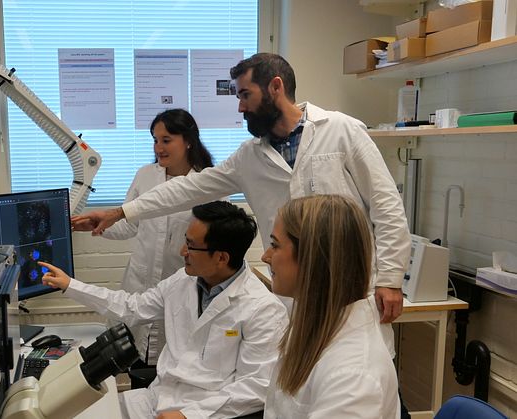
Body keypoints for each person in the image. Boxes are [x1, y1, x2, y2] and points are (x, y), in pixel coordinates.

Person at [72, 52, 411, 354]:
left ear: (275, 87)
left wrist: (391, 279)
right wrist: (122, 211)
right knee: (300, 379)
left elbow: (387, 206)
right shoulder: (250, 157)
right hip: (292, 293)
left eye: (245, 95)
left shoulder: (342, 131)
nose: (240, 106)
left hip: (348, 286)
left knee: (357, 373)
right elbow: (186, 189)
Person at [41, 201, 288, 419]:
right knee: (79, 412)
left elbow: (257, 386)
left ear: (221, 258)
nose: (182, 252)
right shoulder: (184, 280)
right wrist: (70, 285)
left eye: (191, 246)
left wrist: (189, 415)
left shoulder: (263, 309)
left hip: (205, 412)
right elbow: (133, 307)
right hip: (156, 398)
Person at [262, 195, 399, 418]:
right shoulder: (315, 325)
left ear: (311, 257)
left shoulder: (353, 376)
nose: (266, 256)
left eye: (275, 245)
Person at [98, 108, 214, 365]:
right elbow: (129, 226)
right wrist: (98, 226)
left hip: (181, 290)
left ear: (188, 141)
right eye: (155, 139)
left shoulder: (208, 184)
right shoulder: (146, 175)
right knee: (135, 360)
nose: (158, 147)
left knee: (171, 365)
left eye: (166, 140)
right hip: (139, 284)